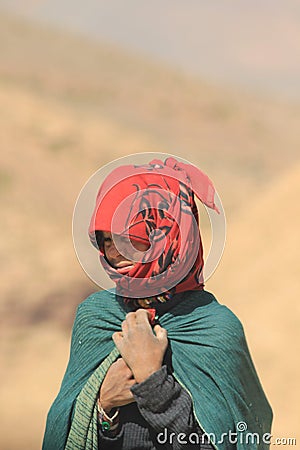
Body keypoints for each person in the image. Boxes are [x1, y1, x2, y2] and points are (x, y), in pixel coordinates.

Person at [42, 157, 272, 450]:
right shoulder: (96, 317)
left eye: (130, 236)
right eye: (107, 239)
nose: (115, 251)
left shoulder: (215, 330)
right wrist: (103, 404)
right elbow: (63, 430)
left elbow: (237, 440)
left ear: (169, 235)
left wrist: (153, 383)